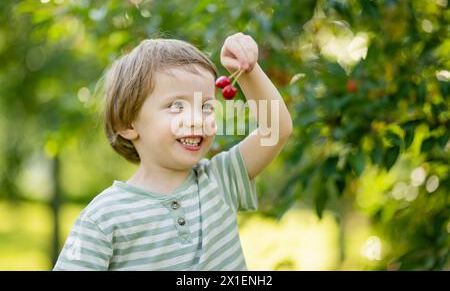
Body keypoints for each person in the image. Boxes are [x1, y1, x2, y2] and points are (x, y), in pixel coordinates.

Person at [53, 32, 293, 270]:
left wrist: (247, 71)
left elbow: (276, 129)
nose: (197, 119)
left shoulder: (220, 180)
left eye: (206, 106)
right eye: (176, 106)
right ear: (127, 124)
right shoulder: (104, 217)